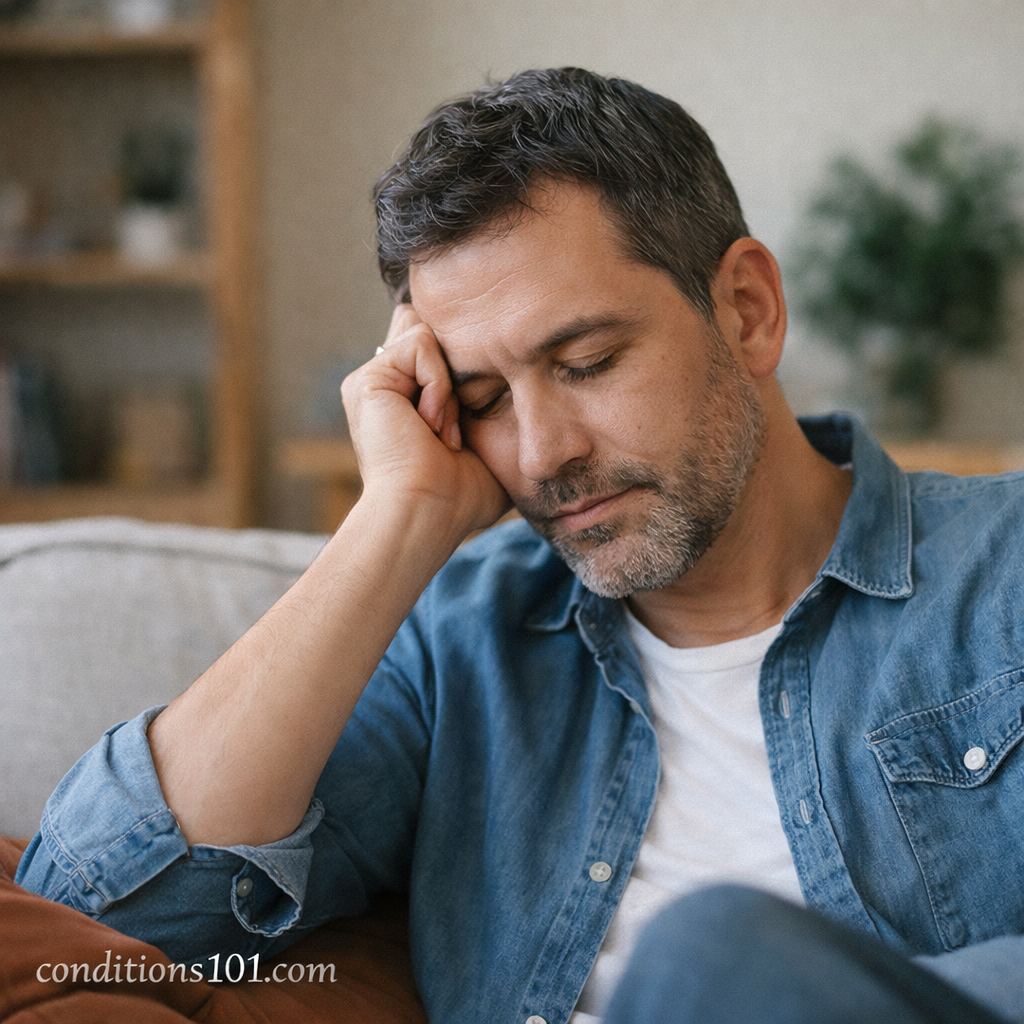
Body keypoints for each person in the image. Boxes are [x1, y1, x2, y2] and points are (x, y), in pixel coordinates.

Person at [17, 68, 1024, 1024]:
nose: (541, 455)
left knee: (709, 958)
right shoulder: (457, 646)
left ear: (747, 311)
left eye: (585, 362)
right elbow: (92, 920)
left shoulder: (1001, 572)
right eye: (484, 399)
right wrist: (395, 519)